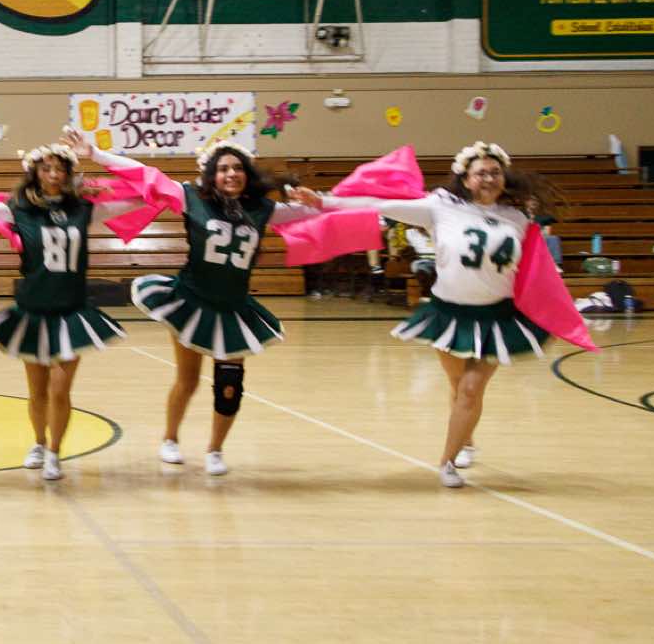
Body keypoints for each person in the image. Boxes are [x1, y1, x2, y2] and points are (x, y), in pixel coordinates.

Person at [302, 141, 554, 488]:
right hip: (449, 314)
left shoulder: (518, 218)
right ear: (465, 178)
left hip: (496, 317)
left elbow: (534, 267)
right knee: (458, 385)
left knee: (470, 389)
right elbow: (379, 204)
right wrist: (324, 201)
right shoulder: (440, 207)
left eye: (495, 172)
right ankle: (467, 440)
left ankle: (447, 462)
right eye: (481, 173)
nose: (489, 178)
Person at [107, 138, 326, 477]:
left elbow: (320, 211)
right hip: (191, 302)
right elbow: (145, 174)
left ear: (247, 173)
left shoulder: (264, 209)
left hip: (233, 308)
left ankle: (215, 449)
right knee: (188, 380)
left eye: (237, 168)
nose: (231, 174)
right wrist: (95, 154)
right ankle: (170, 438)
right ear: (212, 174)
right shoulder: (190, 197)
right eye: (223, 168)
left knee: (230, 385)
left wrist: (322, 200)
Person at [0, 140, 144, 481]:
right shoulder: (17, 210)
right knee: (37, 391)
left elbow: (135, 198)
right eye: (46, 168)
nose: (53, 174)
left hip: (71, 311)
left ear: (68, 174)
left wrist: (153, 189)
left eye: (60, 168)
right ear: (35, 173)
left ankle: (55, 452)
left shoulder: (84, 210)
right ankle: (38, 442)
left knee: (60, 390)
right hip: (33, 311)